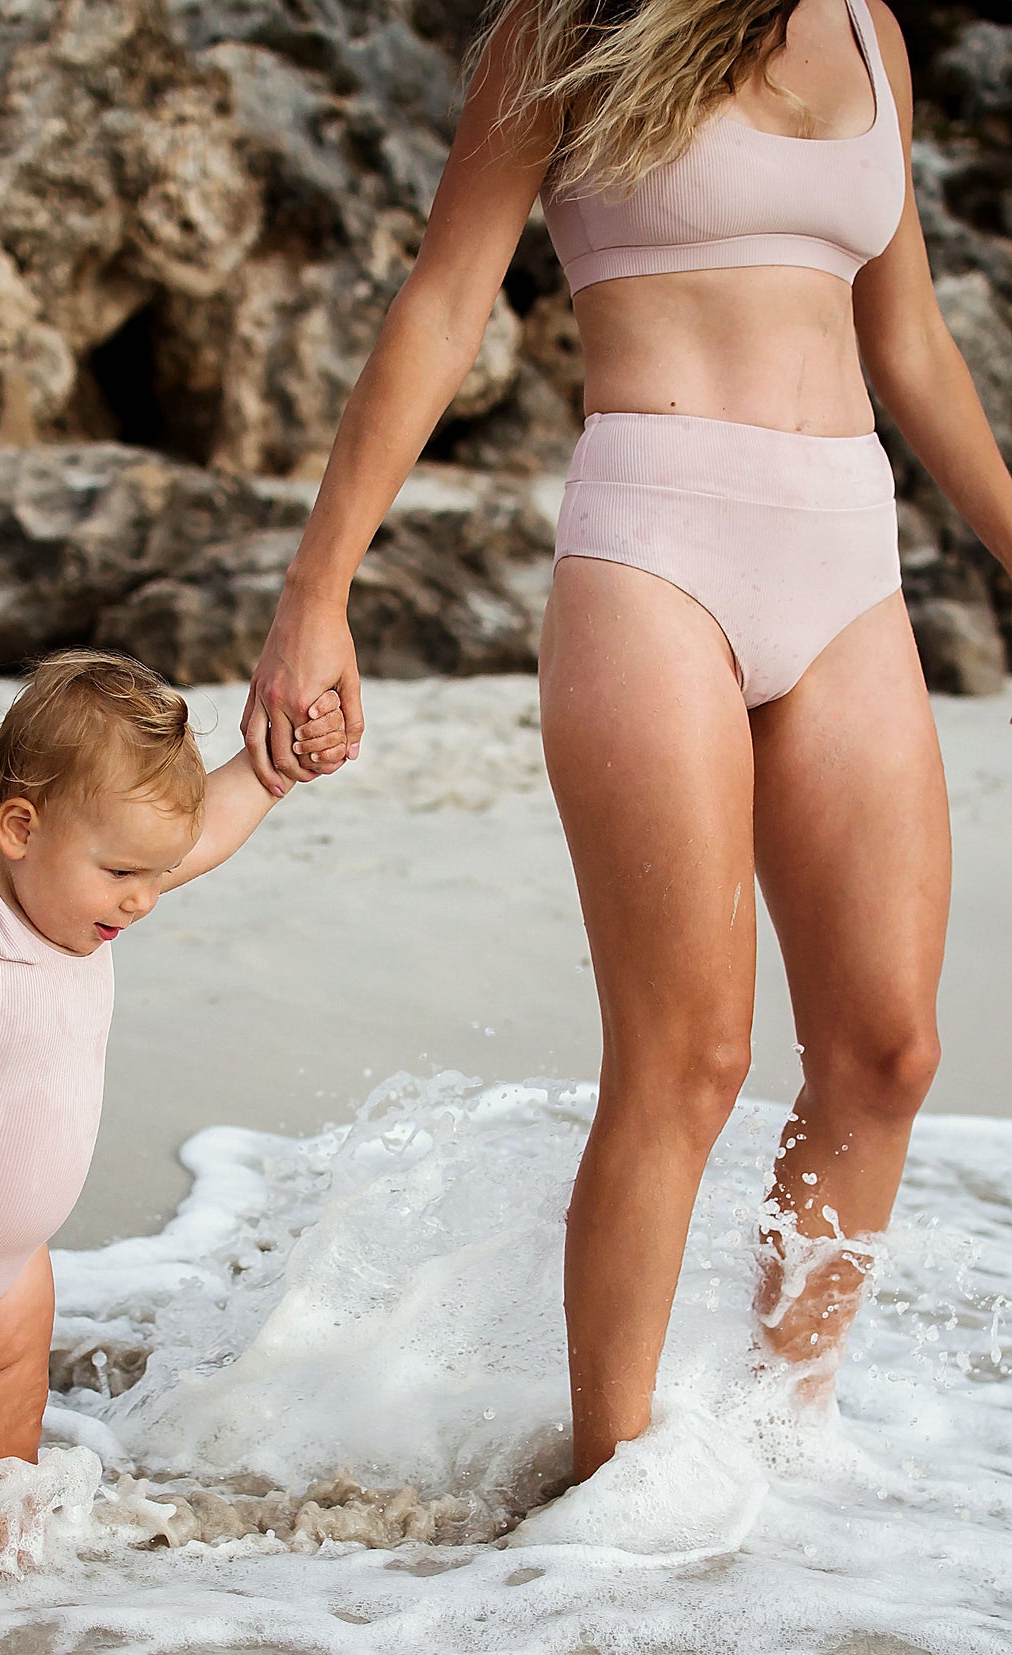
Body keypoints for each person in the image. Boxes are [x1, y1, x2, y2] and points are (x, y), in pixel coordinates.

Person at [240, 0, 1012, 1491]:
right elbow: (448, 297)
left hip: (849, 566)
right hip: (656, 558)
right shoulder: (565, 23)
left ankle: (790, 1443)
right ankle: (610, 1501)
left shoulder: (870, 29)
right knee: (689, 1057)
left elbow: (907, 336)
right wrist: (315, 594)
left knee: (887, 1051)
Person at [0, 650, 345, 1631]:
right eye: (125, 874)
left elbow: (199, 835)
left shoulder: (78, 898)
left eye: (154, 874)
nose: (144, 899)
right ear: (21, 826)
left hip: (12, 1262)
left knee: (9, 1475)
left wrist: (269, 771)